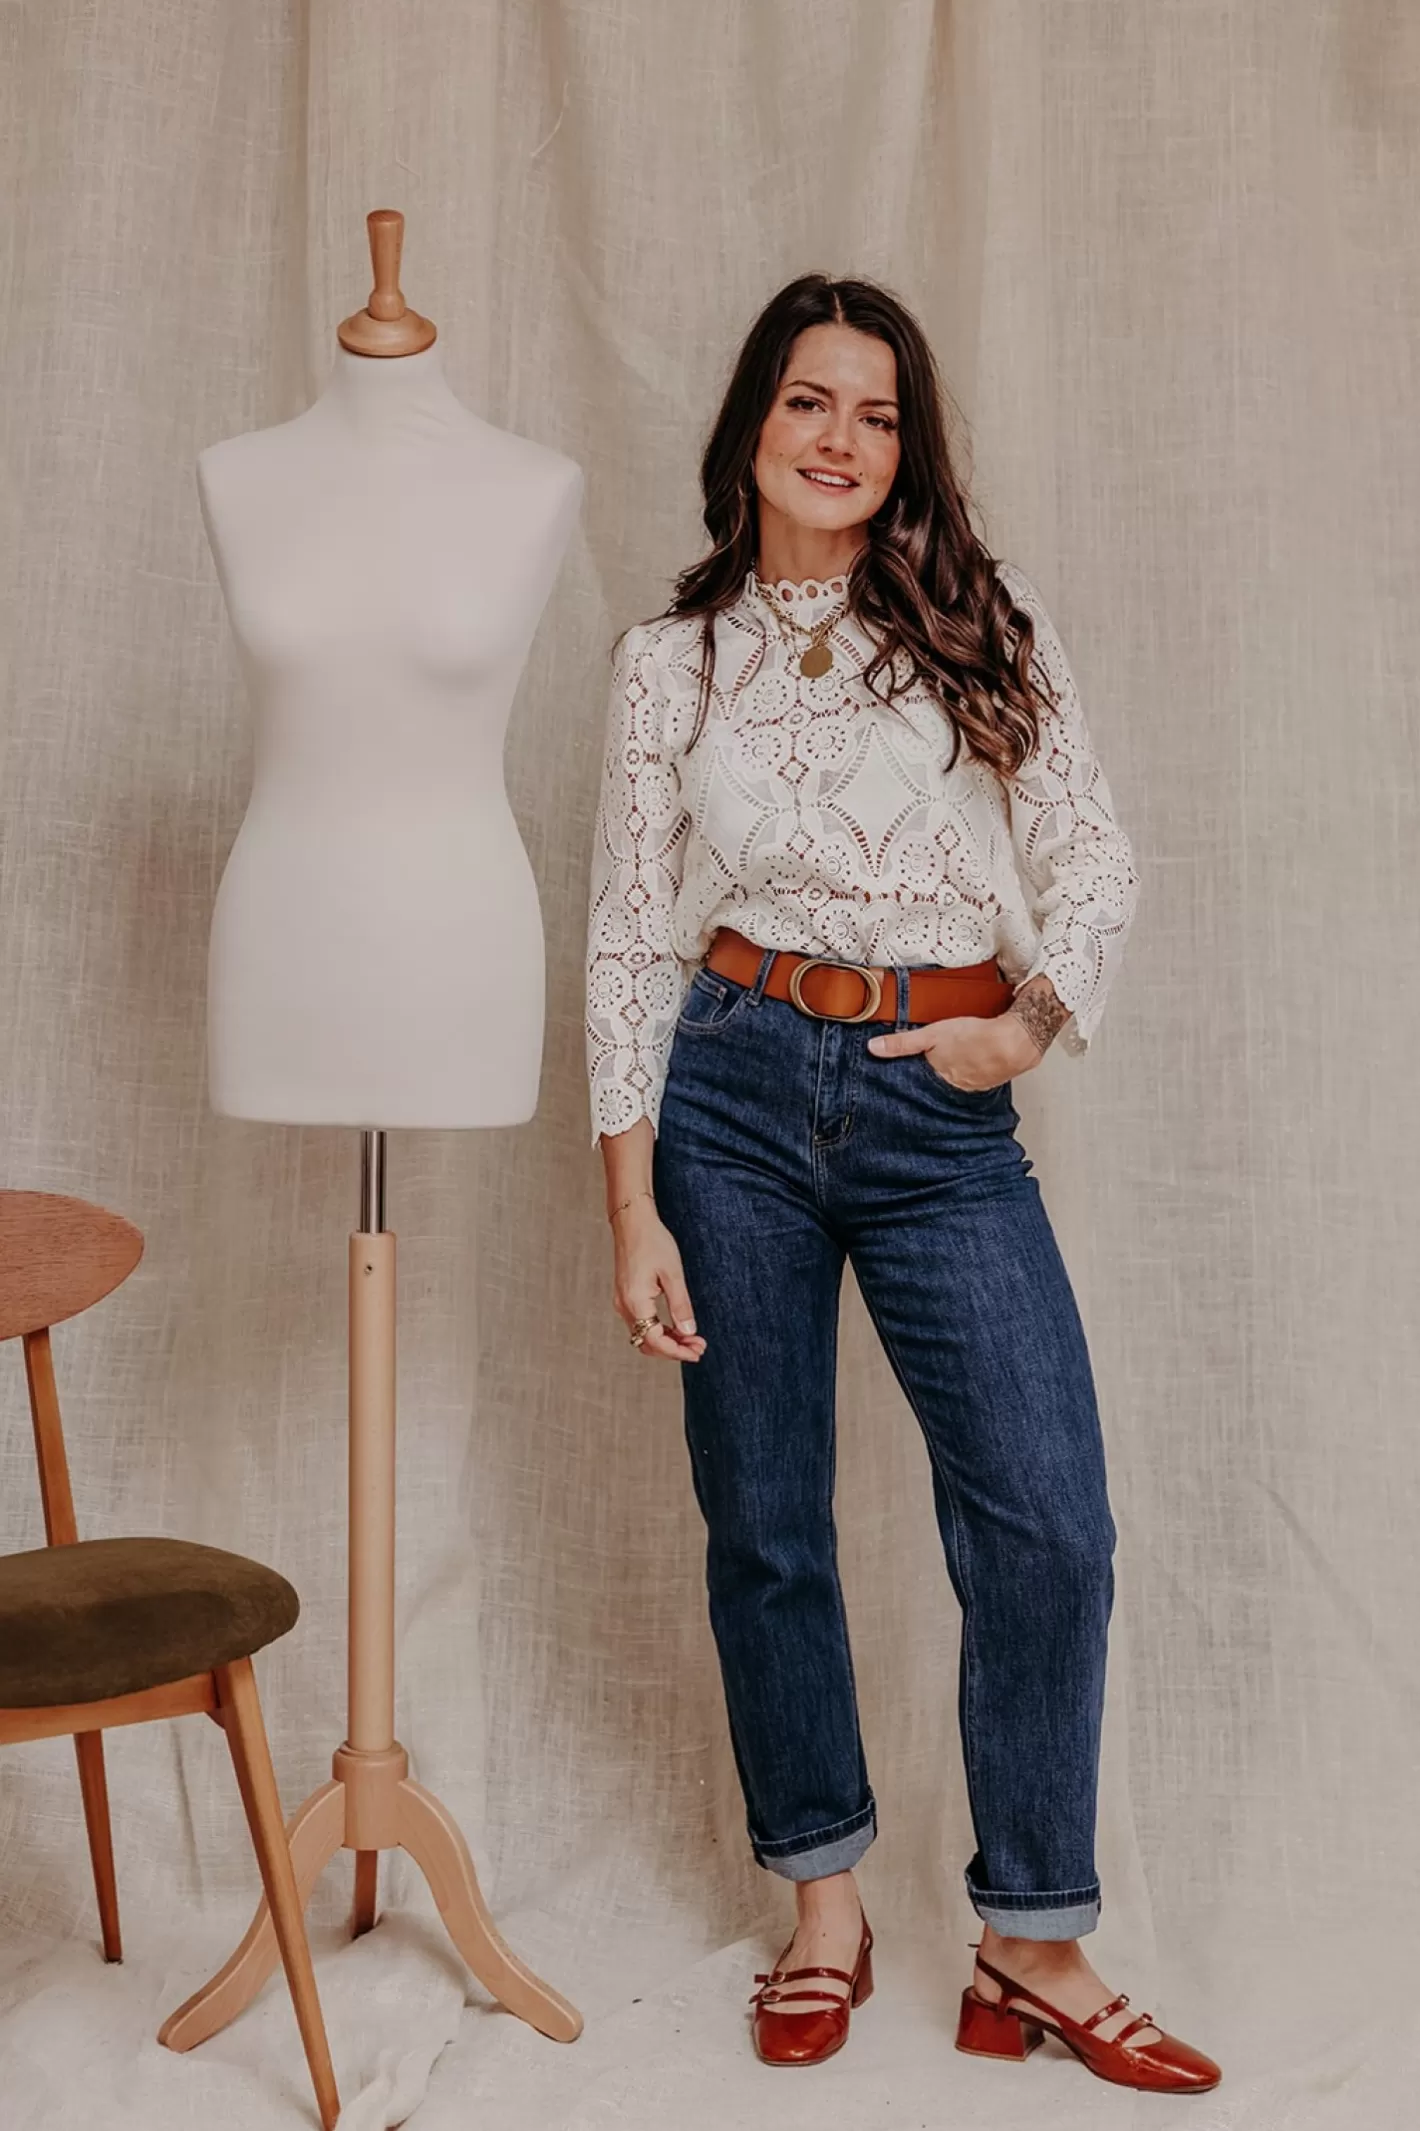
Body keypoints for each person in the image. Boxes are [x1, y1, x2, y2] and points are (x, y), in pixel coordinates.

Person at [583, 272, 1218, 2092]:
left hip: (938, 1110)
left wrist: (1024, 1029)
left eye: (874, 413)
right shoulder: (670, 663)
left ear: (905, 447)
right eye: (809, 401)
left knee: (1049, 1518)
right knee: (766, 1518)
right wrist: (629, 1202)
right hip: (728, 1092)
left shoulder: (981, 628)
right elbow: (627, 929)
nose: (840, 438)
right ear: (752, 428)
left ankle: (1033, 1938)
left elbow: (1092, 856)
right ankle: (824, 1907)